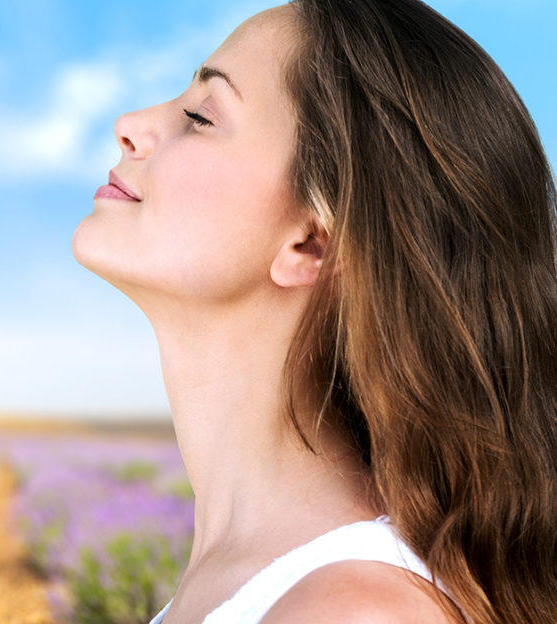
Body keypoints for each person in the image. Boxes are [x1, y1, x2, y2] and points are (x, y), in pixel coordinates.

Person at [72, 0, 557, 622]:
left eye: (200, 116)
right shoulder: (253, 582)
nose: (130, 124)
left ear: (313, 242)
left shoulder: (353, 610)